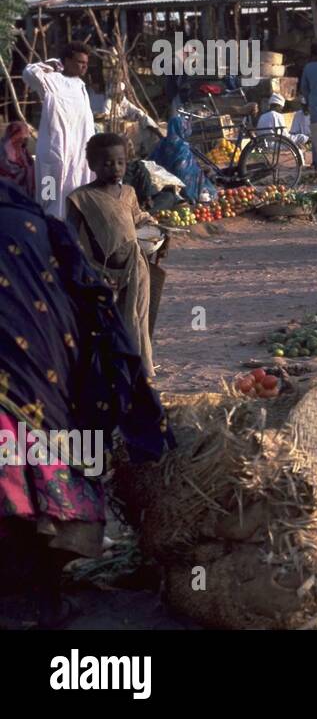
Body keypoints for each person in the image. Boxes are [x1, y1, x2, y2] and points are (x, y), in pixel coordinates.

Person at [0, 179, 173, 627]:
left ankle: (29, 598)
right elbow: (88, 300)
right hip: (43, 372)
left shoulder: (36, 225)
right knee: (37, 485)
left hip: (28, 377)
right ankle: (38, 598)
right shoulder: (35, 223)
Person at [64, 133, 159, 376]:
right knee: (107, 323)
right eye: (107, 163)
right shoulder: (80, 198)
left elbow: (139, 219)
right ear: (92, 165)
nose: (115, 168)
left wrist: (160, 233)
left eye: (120, 162)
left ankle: (141, 373)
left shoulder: (128, 192)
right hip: (102, 272)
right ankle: (109, 373)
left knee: (138, 320)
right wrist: (84, 271)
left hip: (135, 268)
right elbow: (70, 238)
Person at [21, 43, 96, 220]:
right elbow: (29, 73)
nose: (84, 66)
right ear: (67, 61)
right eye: (80, 62)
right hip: (53, 152)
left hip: (79, 154)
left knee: (76, 193)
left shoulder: (81, 86)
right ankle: (46, 230)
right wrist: (52, 63)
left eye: (86, 62)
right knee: (49, 196)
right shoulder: (51, 80)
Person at [0, 121, 35, 196]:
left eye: (25, 138)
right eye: (20, 136)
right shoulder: (3, 150)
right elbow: (6, 168)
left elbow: (30, 165)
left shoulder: (23, 150)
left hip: (25, 197)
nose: (23, 140)